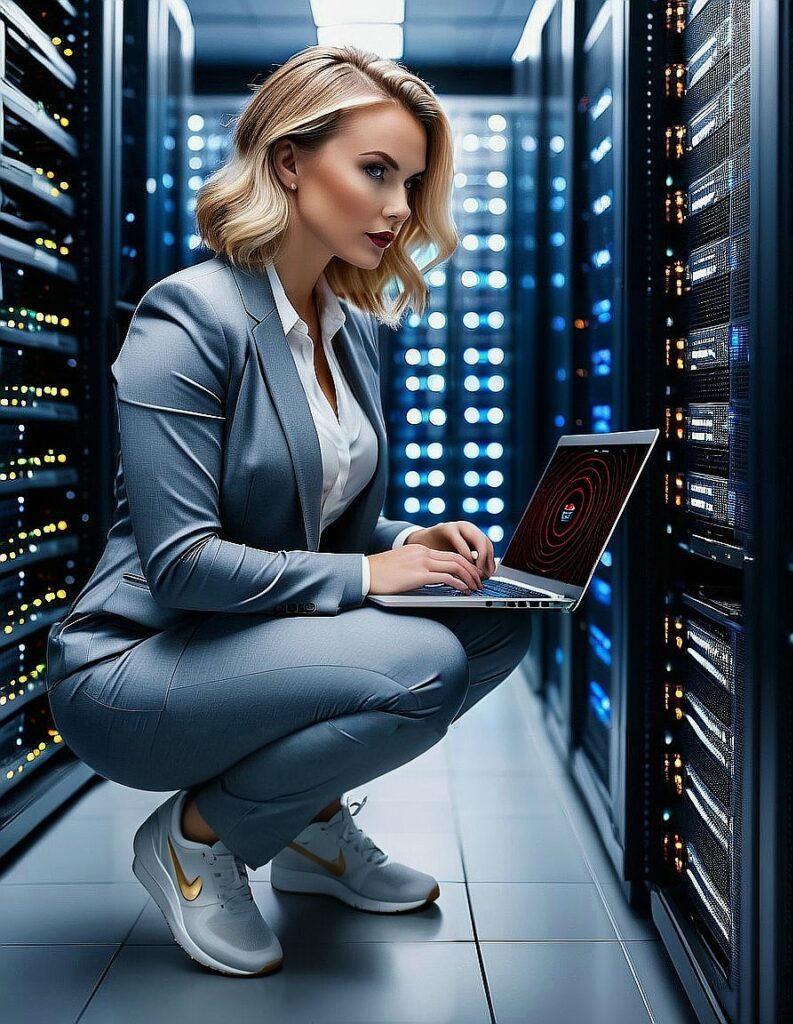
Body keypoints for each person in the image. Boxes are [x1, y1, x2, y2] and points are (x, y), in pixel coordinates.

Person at [45, 44, 533, 978]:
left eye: (413, 181)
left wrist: (411, 543)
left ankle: (308, 832)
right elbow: (184, 560)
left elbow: (320, 522)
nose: (398, 208)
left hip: (251, 637)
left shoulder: (343, 329)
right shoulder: (186, 315)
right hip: (141, 660)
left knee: (494, 627)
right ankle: (194, 839)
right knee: (425, 660)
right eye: (375, 171)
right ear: (288, 163)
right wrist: (368, 573)